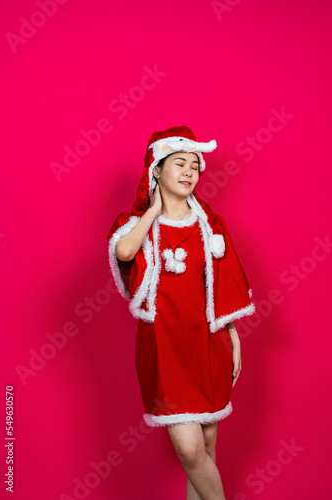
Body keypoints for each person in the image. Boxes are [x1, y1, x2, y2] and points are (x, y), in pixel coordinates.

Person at [107, 125, 256, 500]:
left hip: (210, 342)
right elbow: (124, 253)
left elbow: (223, 288)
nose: (189, 171)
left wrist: (234, 339)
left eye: (195, 164)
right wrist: (153, 210)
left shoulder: (211, 226)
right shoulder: (137, 225)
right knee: (189, 450)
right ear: (156, 169)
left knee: (206, 447)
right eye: (179, 163)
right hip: (164, 346)